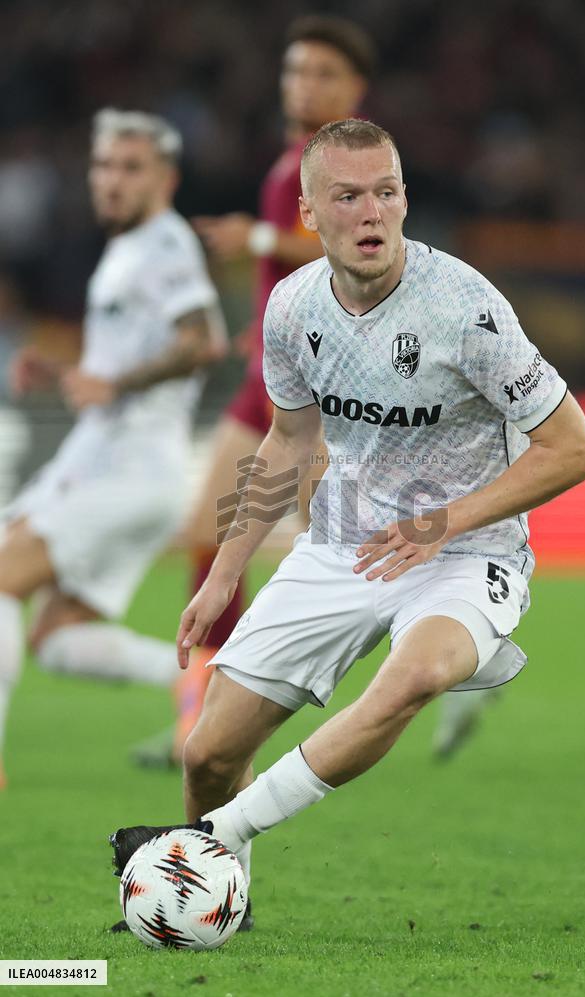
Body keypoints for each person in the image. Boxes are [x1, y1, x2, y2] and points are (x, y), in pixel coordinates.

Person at [109, 120, 585, 917]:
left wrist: (443, 522)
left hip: (464, 550)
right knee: (207, 752)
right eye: (347, 196)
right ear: (309, 214)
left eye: (386, 192)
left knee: (419, 673)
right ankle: (212, 891)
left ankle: (213, 840)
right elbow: (287, 442)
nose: (371, 212)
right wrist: (225, 573)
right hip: (344, 543)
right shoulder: (291, 308)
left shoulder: (467, 311)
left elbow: (573, 449)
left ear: (405, 201)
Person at [131, 15, 377, 769]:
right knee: (208, 533)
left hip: (324, 387)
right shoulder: (291, 162)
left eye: (322, 73)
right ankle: (201, 715)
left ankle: (434, 663)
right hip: (265, 375)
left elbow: (359, 246)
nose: (303, 84)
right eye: (295, 71)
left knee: (338, 561)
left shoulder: (355, 163)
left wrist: (260, 239)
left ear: (355, 88)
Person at [0, 108, 227, 790]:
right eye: (104, 166)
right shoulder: (131, 249)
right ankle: (194, 677)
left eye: (131, 168)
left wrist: (114, 382)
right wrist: (66, 371)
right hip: (117, 465)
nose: (112, 181)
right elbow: (121, 362)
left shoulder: (165, 245)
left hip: (125, 467)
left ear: (166, 178)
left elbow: (203, 341)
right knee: (58, 640)